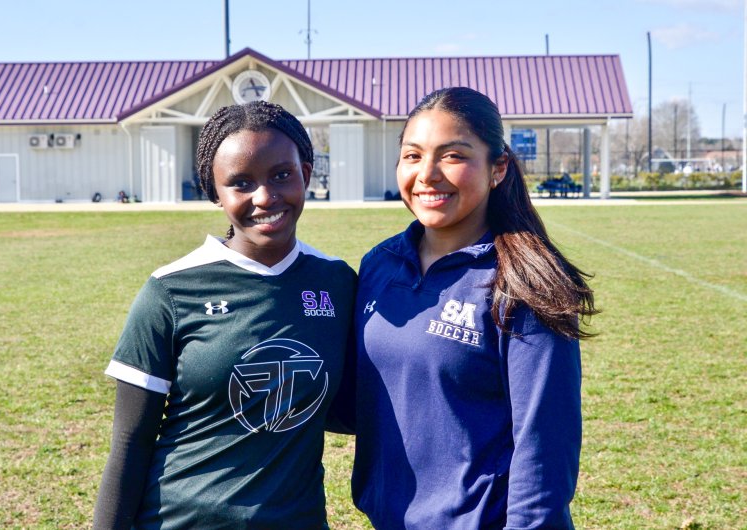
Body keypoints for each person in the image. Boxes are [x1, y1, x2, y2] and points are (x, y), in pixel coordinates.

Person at [93, 101, 356, 529]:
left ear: (306, 174)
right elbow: (130, 440)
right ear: (215, 193)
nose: (265, 197)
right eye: (241, 183)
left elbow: (349, 407)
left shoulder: (338, 283)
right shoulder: (171, 290)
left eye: (281, 175)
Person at [351, 87, 597, 529]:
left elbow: (544, 447)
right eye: (412, 156)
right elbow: (360, 398)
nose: (427, 174)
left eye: (453, 156)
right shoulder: (379, 264)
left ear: (498, 167)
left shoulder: (526, 284)